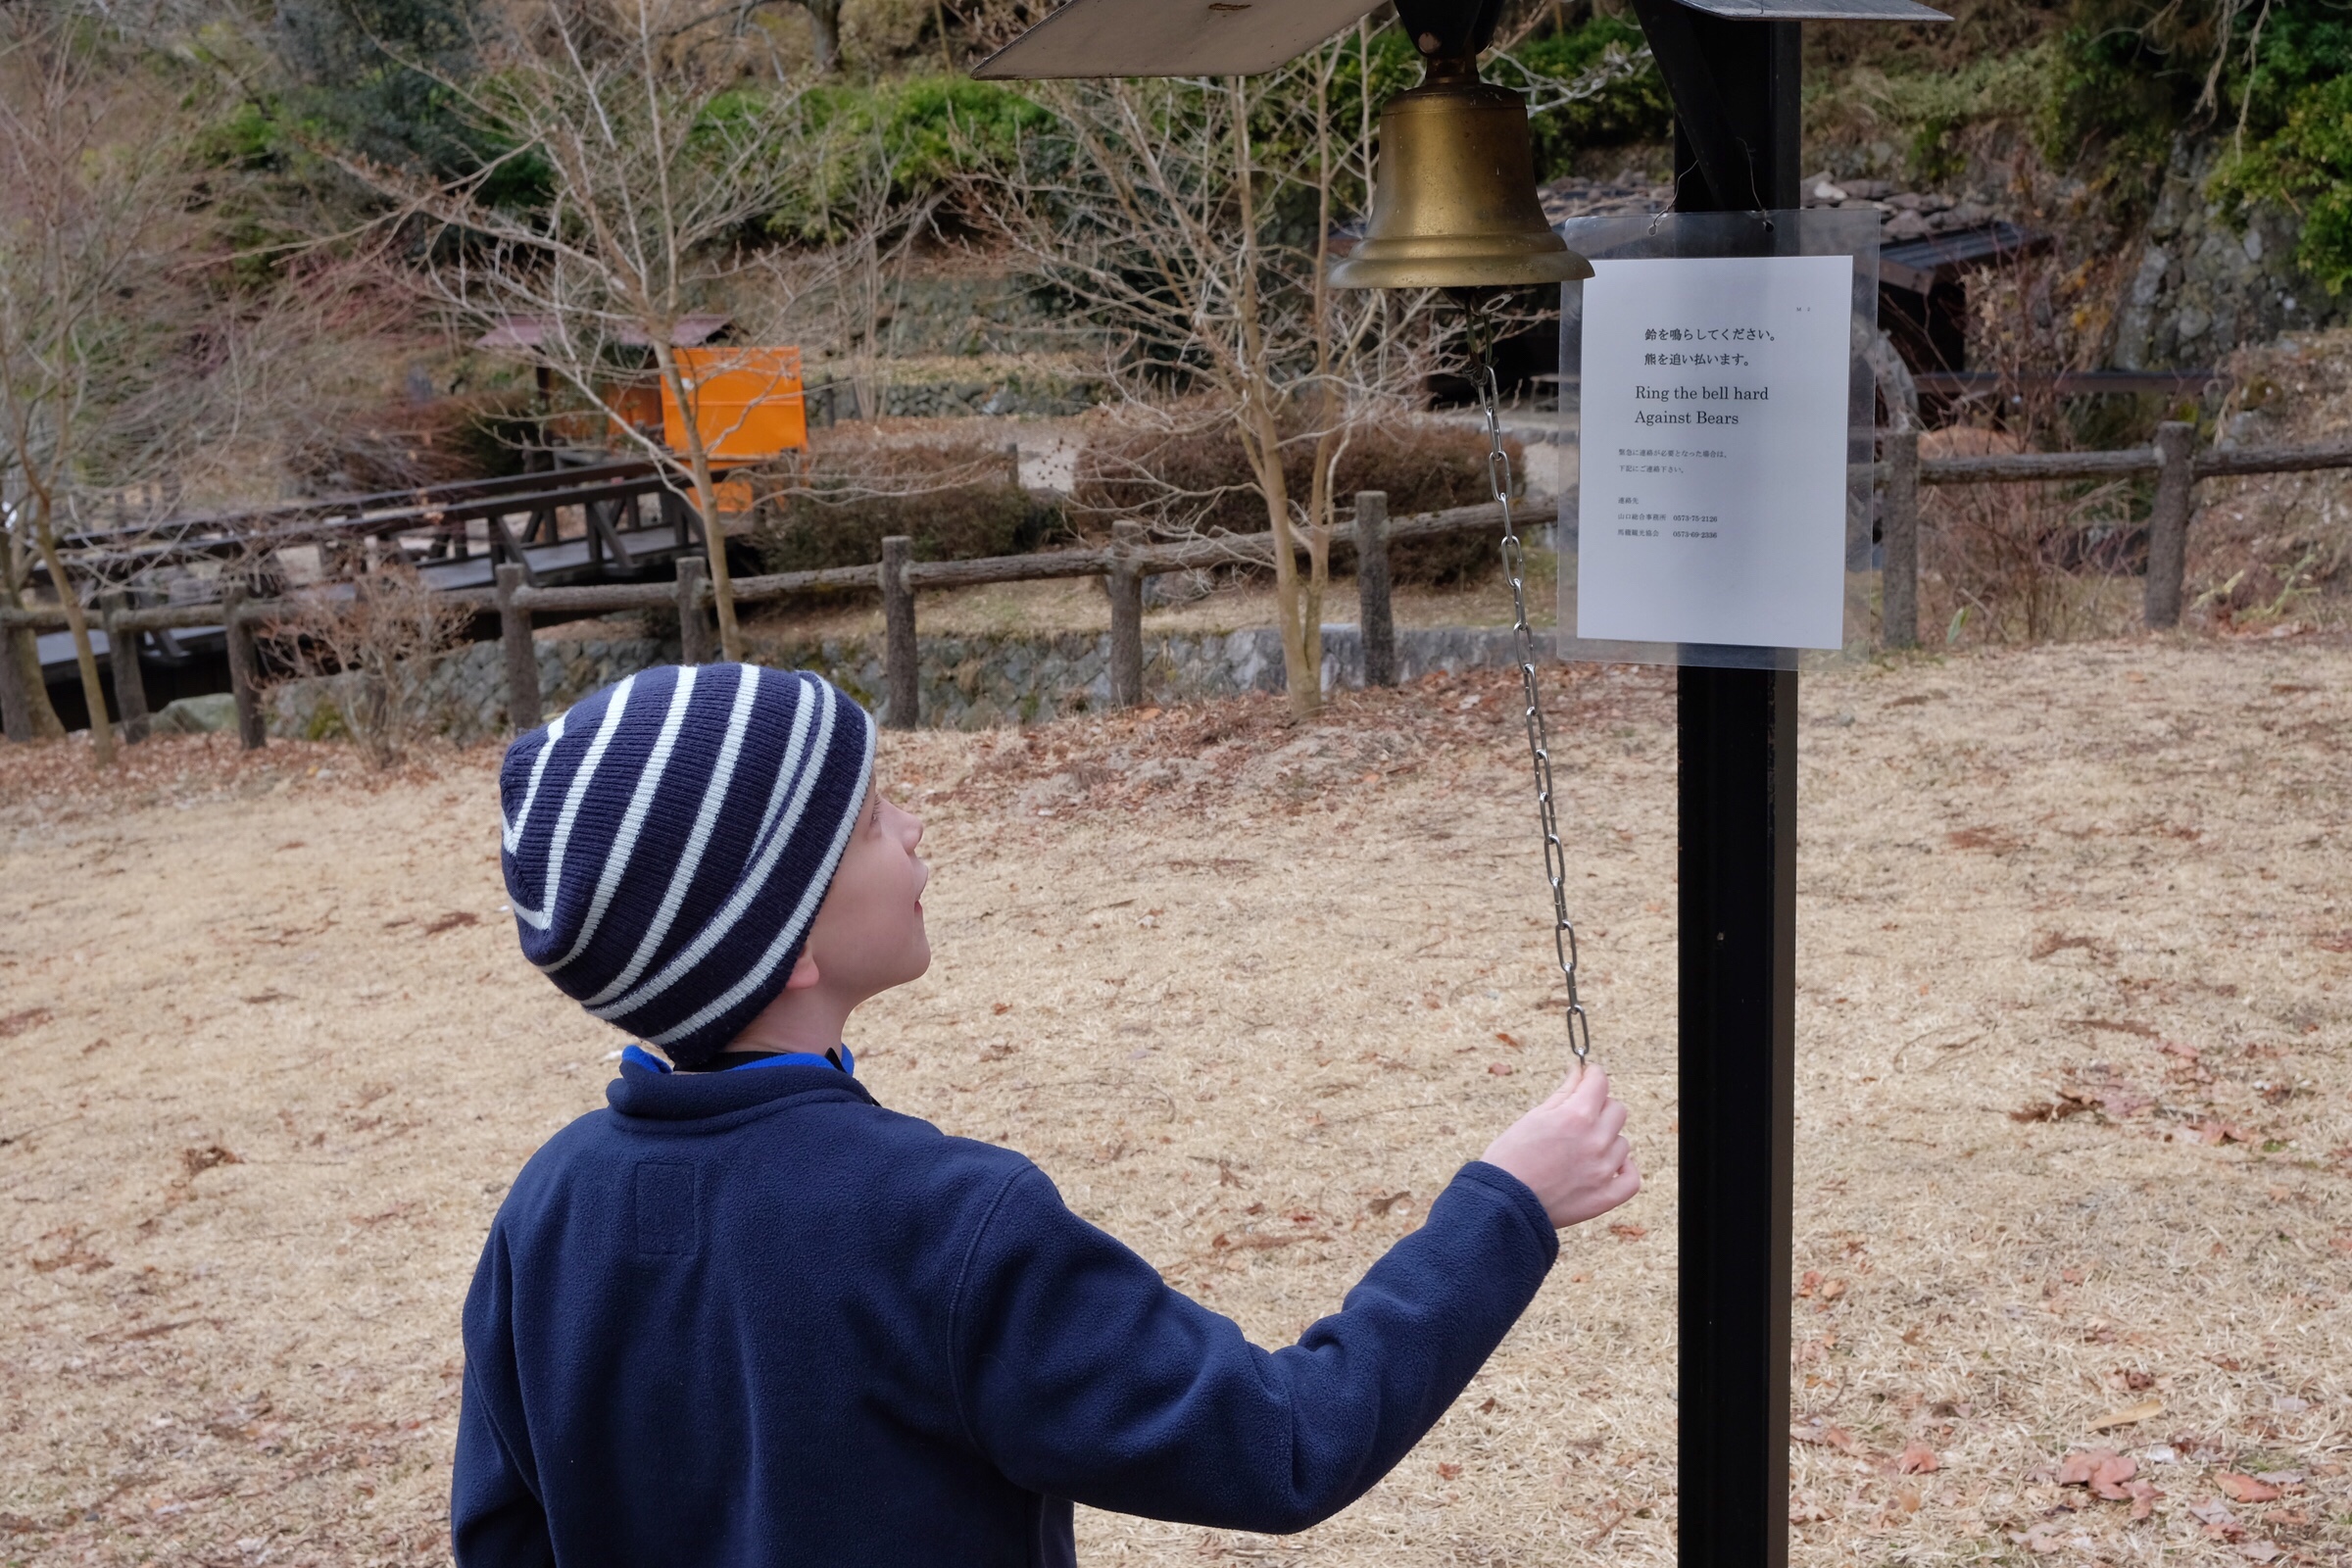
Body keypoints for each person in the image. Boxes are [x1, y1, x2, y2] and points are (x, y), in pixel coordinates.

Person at [455, 663, 1641, 1567]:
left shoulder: (546, 1210)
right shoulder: (944, 1223)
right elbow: (1283, 1440)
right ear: (784, 939)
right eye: (870, 819)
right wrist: (1508, 1202)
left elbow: (503, 1536)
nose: (914, 827)